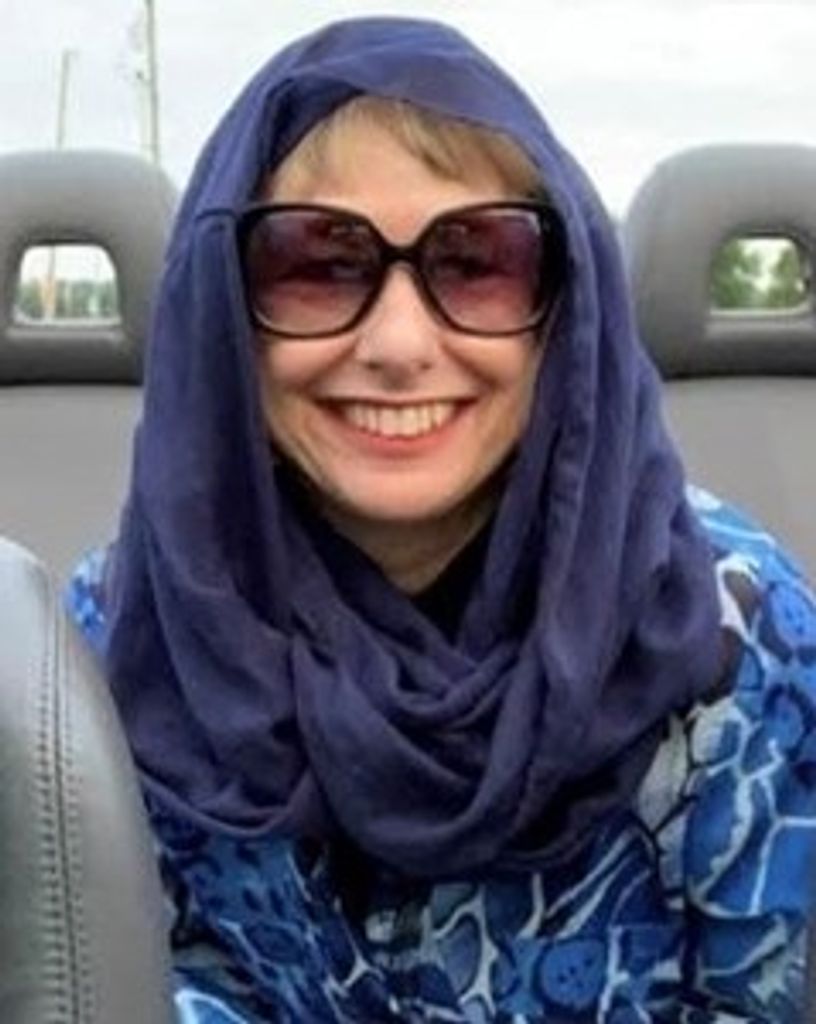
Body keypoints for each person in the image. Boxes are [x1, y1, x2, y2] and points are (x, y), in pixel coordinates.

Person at [67, 15, 816, 1023]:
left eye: (476, 262)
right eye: (317, 264)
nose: (399, 343)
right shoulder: (114, 650)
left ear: (563, 311)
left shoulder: (736, 638)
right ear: (225, 314)